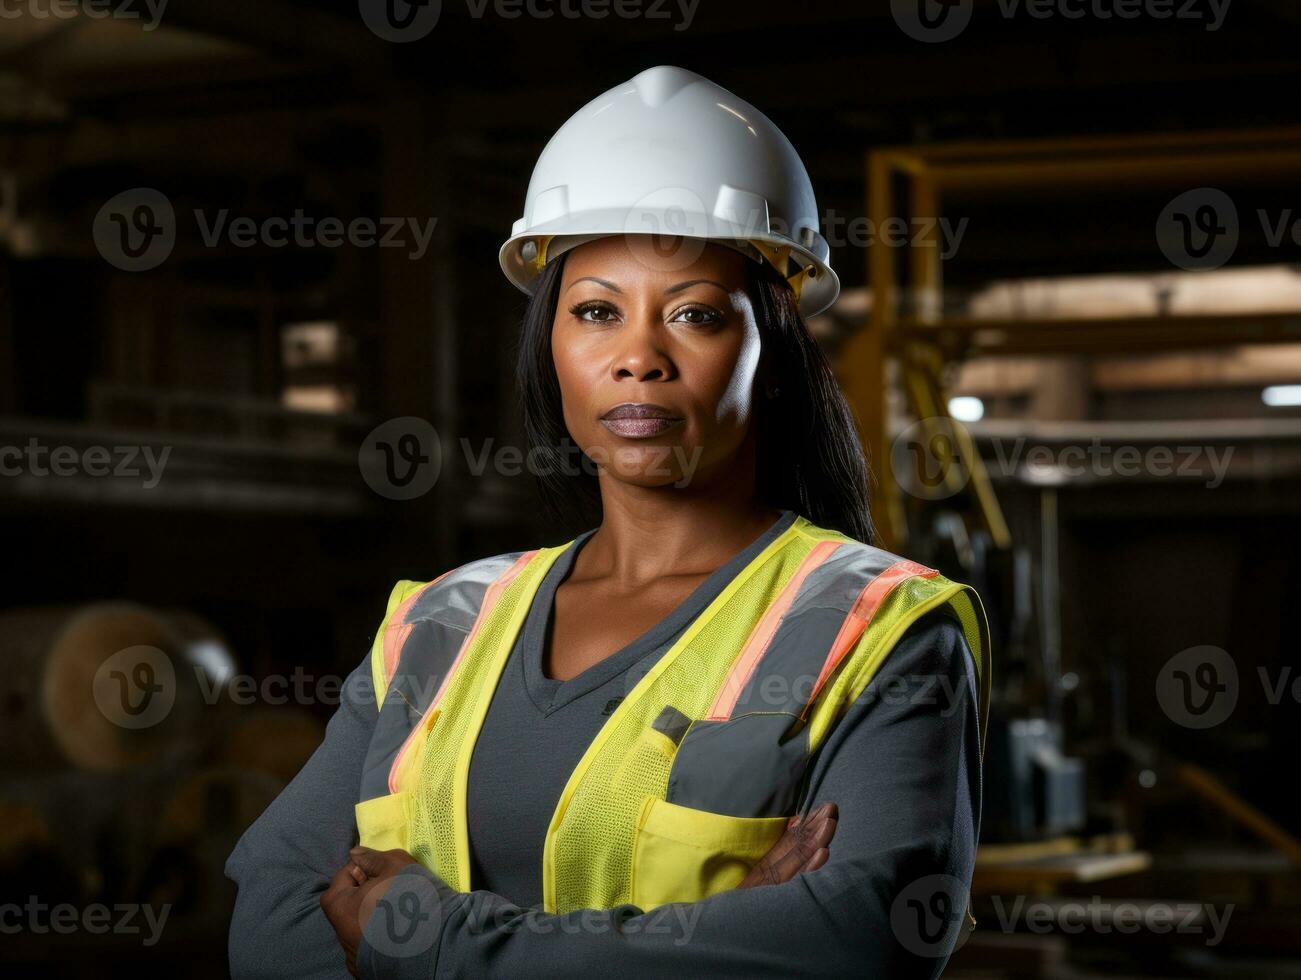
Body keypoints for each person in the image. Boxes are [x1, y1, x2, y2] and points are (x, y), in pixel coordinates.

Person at [226, 66, 990, 979]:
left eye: (695, 316)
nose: (638, 359)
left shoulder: (877, 627)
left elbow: (864, 936)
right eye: (595, 312)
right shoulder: (439, 624)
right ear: (550, 350)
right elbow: (269, 926)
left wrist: (434, 943)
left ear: (773, 355)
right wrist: (714, 939)